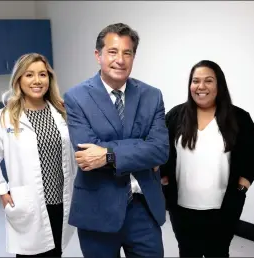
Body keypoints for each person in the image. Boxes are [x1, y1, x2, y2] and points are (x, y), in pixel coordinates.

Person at [63, 23, 169, 257]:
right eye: (112, 52)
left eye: (127, 53)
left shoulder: (152, 96)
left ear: (133, 57)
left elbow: (160, 150)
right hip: (97, 209)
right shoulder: (76, 97)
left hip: (143, 209)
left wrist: (108, 155)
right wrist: (140, 148)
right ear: (98, 55)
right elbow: (86, 154)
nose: (120, 60)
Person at [160, 60, 254, 257]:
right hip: (182, 207)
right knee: (187, 251)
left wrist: (243, 185)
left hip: (223, 208)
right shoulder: (176, 115)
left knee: (217, 252)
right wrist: (164, 178)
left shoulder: (238, 117)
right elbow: (160, 148)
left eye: (208, 81)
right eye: (195, 81)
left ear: (219, 85)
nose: (201, 87)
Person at [0, 53, 77, 257]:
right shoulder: (5, 117)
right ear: (19, 80)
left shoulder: (61, 113)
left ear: (49, 79)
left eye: (42, 74)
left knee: (55, 252)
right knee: (29, 254)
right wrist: (1, 190)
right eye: (29, 75)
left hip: (60, 199)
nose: (37, 80)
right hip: (28, 202)